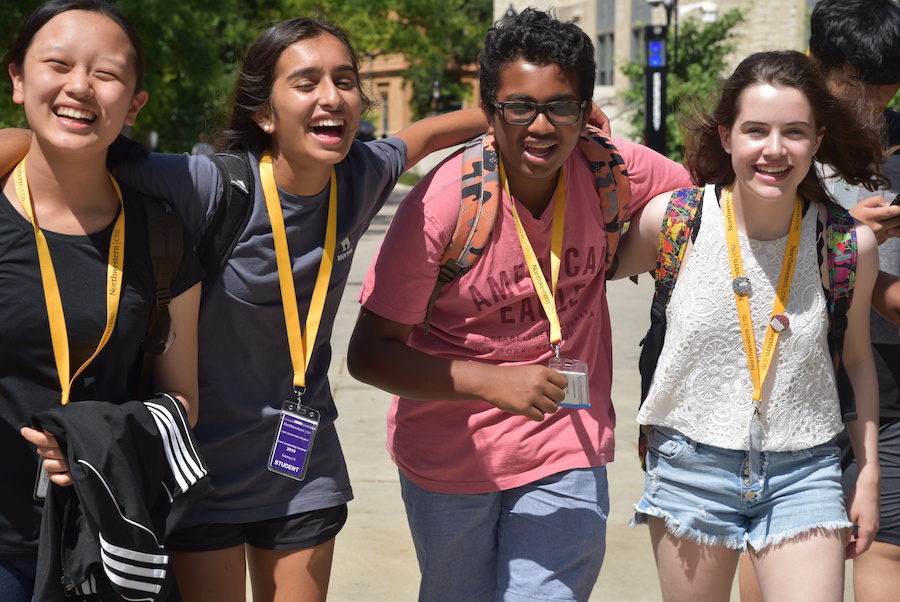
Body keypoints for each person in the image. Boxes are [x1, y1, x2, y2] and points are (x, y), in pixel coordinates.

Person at [0, 16, 489, 602]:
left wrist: (526, 111)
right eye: (306, 82)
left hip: (302, 465)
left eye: (345, 79)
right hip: (202, 472)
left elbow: (428, 132)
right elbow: (78, 142)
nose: (331, 96)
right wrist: (37, 130)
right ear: (264, 113)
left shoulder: (361, 174)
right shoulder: (209, 186)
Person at [346, 8, 692, 601]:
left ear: (585, 113)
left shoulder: (609, 168)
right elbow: (368, 356)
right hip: (452, 457)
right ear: (490, 110)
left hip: (568, 443)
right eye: (519, 107)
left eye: (561, 106)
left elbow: (687, 205)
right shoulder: (444, 204)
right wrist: (489, 382)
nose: (541, 125)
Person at [613, 50, 883, 601]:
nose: (775, 150)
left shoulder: (848, 244)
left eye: (795, 132)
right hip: (691, 465)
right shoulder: (673, 221)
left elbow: (856, 359)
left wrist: (869, 475)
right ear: (727, 136)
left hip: (804, 469)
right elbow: (582, 271)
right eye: (755, 130)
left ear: (818, 139)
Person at [0, 1, 202, 600]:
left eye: (107, 74)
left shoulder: (162, 236)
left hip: (111, 544)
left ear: (135, 104)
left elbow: (185, 398)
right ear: (17, 79)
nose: (80, 87)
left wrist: (102, 437)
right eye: (56, 64)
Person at [739, 3, 900, 600]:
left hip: (883, 387)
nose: (871, 107)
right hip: (783, 385)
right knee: (772, 549)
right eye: (855, 85)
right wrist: (844, 243)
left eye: (886, 90)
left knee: (880, 550)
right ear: (817, 65)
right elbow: (741, 259)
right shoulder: (779, 150)